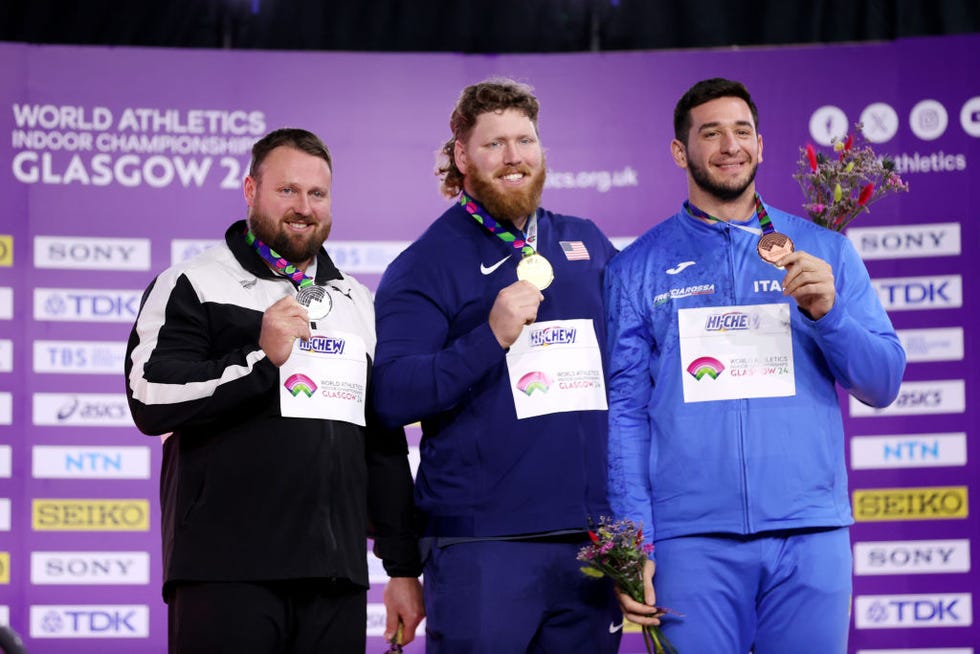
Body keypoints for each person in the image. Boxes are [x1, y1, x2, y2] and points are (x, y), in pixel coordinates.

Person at [603, 78, 906, 653]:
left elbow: (883, 381)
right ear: (679, 152)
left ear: (761, 146)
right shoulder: (636, 268)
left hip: (810, 534)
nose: (728, 145)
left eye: (742, 131)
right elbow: (625, 417)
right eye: (710, 132)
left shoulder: (824, 251)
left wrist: (830, 315)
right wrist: (633, 543)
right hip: (690, 544)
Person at [125, 128, 424, 653]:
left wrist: (402, 567)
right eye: (287, 190)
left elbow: (381, 440)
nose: (303, 207)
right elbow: (150, 399)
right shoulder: (192, 283)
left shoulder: (354, 300)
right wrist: (262, 359)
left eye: (317, 194)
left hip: (335, 578)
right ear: (250, 191)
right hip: (225, 574)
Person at [371, 78, 622, 653]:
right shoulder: (426, 264)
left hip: (591, 542)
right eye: (495, 144)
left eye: (525, 140)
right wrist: (489, 338)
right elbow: (389, 395)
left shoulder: (586, 242)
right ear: (461, 155)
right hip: (484, 544)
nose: (514, 158)